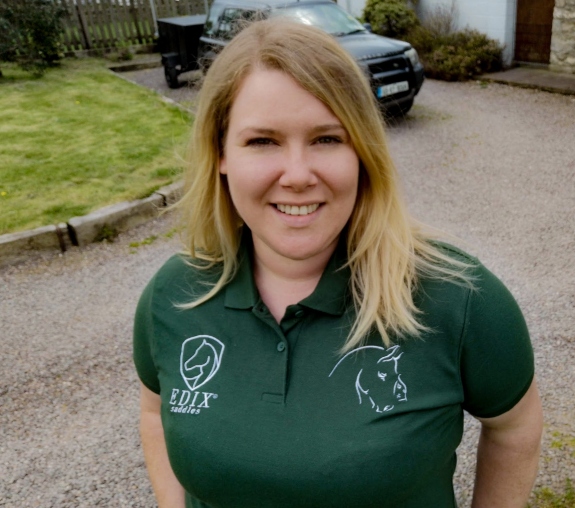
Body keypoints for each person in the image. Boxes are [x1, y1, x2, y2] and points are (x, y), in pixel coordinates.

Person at [133, 17, 543, 508]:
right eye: (262, 141)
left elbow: (515, 429)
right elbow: (156, 414)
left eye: (327, 138)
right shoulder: (175, 294)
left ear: (363, 152)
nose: (298, 175)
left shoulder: (458, 297)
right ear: (220, 153)